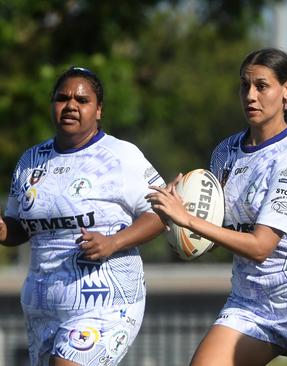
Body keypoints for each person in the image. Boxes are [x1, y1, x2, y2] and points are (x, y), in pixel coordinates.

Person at [146, 48, 287, 366]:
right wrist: (177, 227)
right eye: (245, 86)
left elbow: (260, 247)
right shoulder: (224, 153)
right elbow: (217, 234)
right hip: (251, 300)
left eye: (261, 86)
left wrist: (187, 220)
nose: (250, 96)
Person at [0, 66, 166, 365]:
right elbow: (19, 228)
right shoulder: (30, 160)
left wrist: (113, 242)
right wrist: (2, 230)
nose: (71, 106)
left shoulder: (121, 155)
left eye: (82, 100)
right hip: (42, 305)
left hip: (104, 301)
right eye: (62, 98)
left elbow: (162, 212)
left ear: (99, 109)